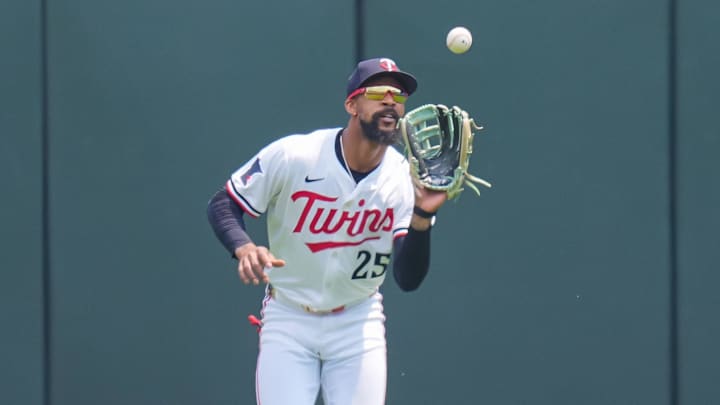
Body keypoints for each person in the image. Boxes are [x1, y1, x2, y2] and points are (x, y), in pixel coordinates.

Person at [207, 57, 448, 405]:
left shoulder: (402, 176)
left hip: (357, 323)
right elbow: (223, 203)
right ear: (352, 104)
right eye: (379, 92)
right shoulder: (297, 154)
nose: (391, 101)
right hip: (289, 318)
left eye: (399, 96)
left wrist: (422, 216)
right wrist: (244, 247)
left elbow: (407, 279)